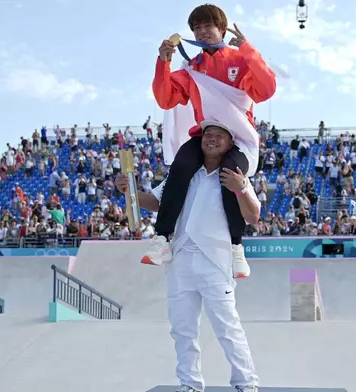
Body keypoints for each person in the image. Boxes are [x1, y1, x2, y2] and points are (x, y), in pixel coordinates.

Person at [115, 120, 261, 392]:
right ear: (200, 140)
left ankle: (246, 383)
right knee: (182, 329)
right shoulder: (183, 175)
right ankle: (189, 384)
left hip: (215, 261)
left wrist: (240, 188)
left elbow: (253, 216)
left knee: (227, 327)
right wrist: (130, 190)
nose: (212, 139)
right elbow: (157, 203)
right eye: (208, 134)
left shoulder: (237, 176)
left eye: (220, 135)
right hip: (180, 258)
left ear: (230, 144)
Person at [147, 3, 277, 279]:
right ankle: (162, 239)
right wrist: (163, 62)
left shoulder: (240, 61)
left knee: (231, 175)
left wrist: (249, 50)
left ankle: (235, 246)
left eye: (208, 26)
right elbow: (165, 98)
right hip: (206, 135)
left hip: (239, 138)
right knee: (180, 167)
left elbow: (266, 90)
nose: (202, 32)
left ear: (221, 29)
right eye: (197, 28)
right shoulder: (192, 69)